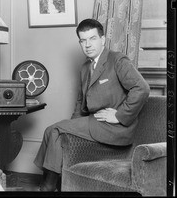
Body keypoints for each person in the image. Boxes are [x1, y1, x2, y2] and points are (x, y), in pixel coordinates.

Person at [34, 18, 150, 191]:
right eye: (83, 40)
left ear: (102, 40)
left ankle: (47, 187)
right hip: (95, 123)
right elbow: (81, 103)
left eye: (92, 38)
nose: (87, 45)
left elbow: (142, 88)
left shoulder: (117, 60)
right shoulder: (85, 67)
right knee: (56, 132)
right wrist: (71, 127)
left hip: (115, 128)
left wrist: (119, 115)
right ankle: (50, 187)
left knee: (54, 129)